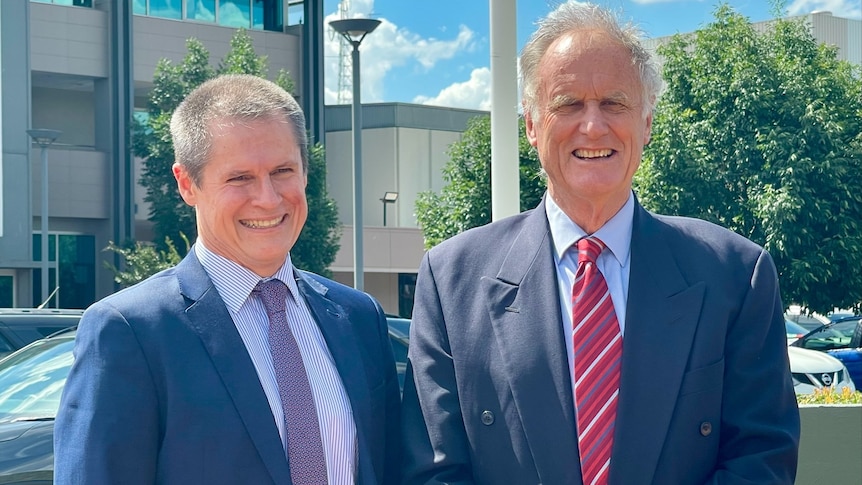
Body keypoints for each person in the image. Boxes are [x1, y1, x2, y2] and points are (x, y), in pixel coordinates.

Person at [400, 3, 799, 484]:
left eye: (614, 103)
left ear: (647, 123)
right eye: (567, 104)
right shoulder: (451, 281)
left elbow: (761, 459)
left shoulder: (735, 275)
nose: (592, 126)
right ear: (531, 124)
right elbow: (432, 471)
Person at [55, 74, 400, 485]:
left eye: (283, 170)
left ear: (306, 172)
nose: (268, 198)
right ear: (187, 184)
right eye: (240, 178)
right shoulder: (131, 331)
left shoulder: (358, 317)